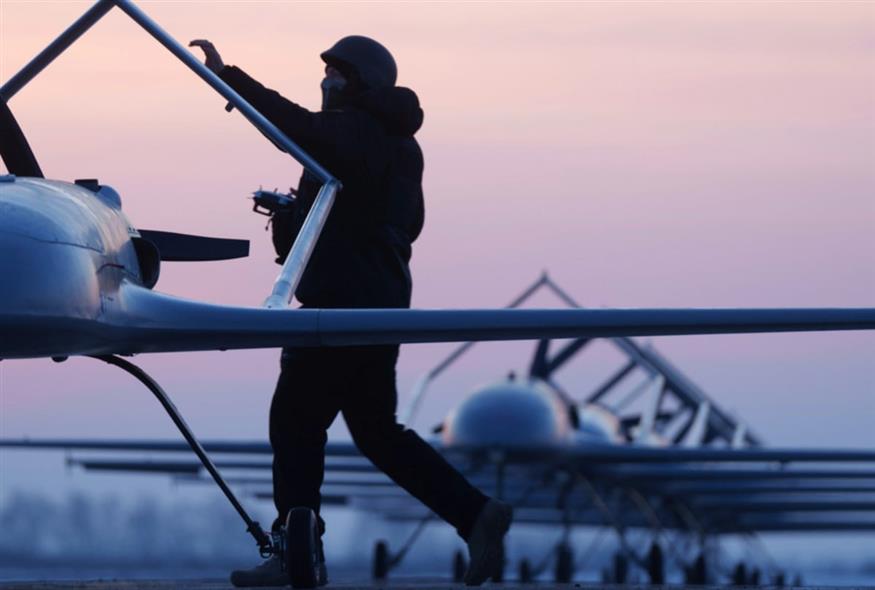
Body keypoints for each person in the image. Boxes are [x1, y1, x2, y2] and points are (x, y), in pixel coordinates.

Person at [190, 36, 512, 587]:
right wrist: (296, 215)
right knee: (376, 432)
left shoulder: (358, 130)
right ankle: (475, 513)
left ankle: (295, 555)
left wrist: (229, 78)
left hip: (340, 309)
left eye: (336, 74)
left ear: (363, 83)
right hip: (379, 307)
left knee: (295, 423)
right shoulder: (393, 143)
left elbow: (296, 127)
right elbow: (385, 221)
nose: (325, 82)